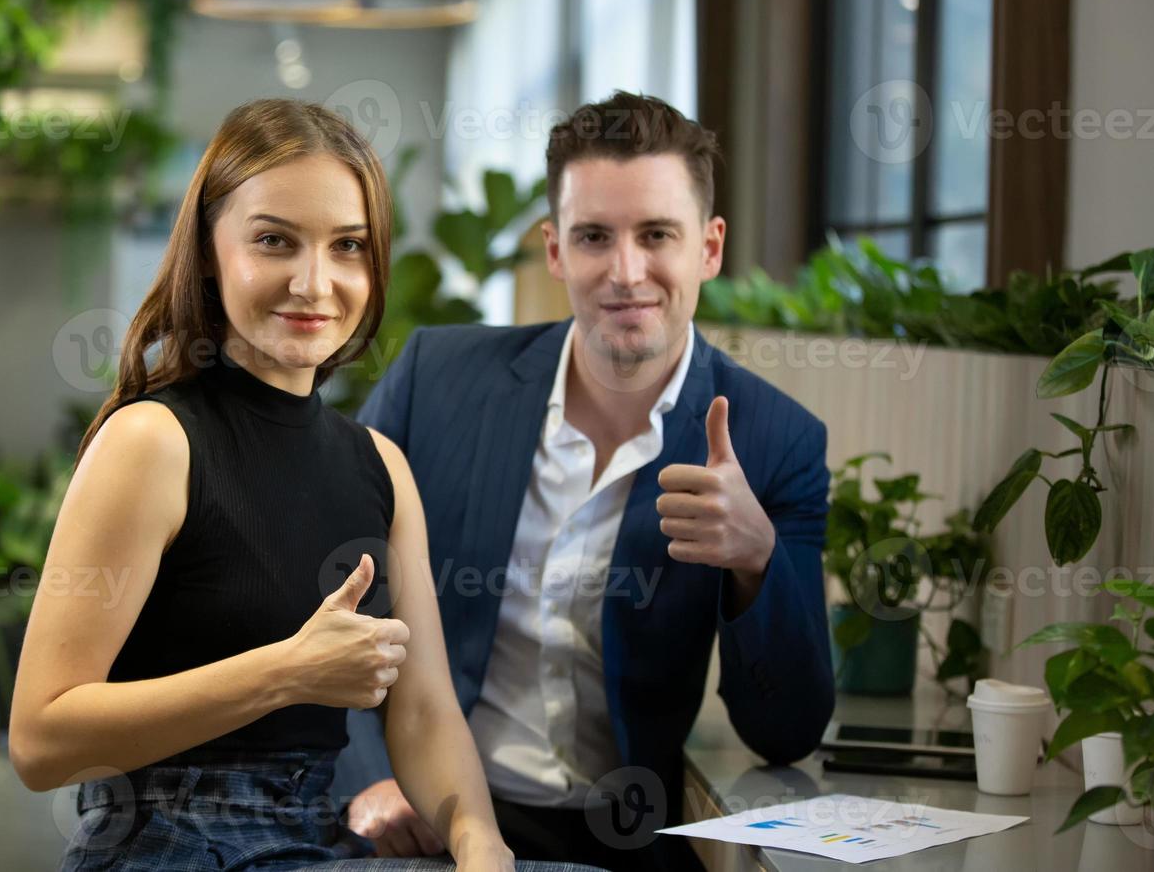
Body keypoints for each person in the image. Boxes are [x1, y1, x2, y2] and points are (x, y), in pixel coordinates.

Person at [8, 98, 527, 871]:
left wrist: (478, 840)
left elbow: (421, 712)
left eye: (347, 246)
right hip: (164, 844)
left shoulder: (380, 465)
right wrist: (287, 672)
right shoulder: (153, 440)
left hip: (311, 838)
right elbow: (41, 741)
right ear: (211, 253)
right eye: (275, 242)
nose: (314, 283)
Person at [336, 92, 835, 871]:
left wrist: (756, 559)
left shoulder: (777, 445)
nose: (626, 272)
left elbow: (786, 732)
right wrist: (372, 778)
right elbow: (325, 592)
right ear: (556, 250)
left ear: (708, 247)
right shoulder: (435, 378)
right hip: (424, 818)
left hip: (624, 844)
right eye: (595, 236)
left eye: (657, 235)